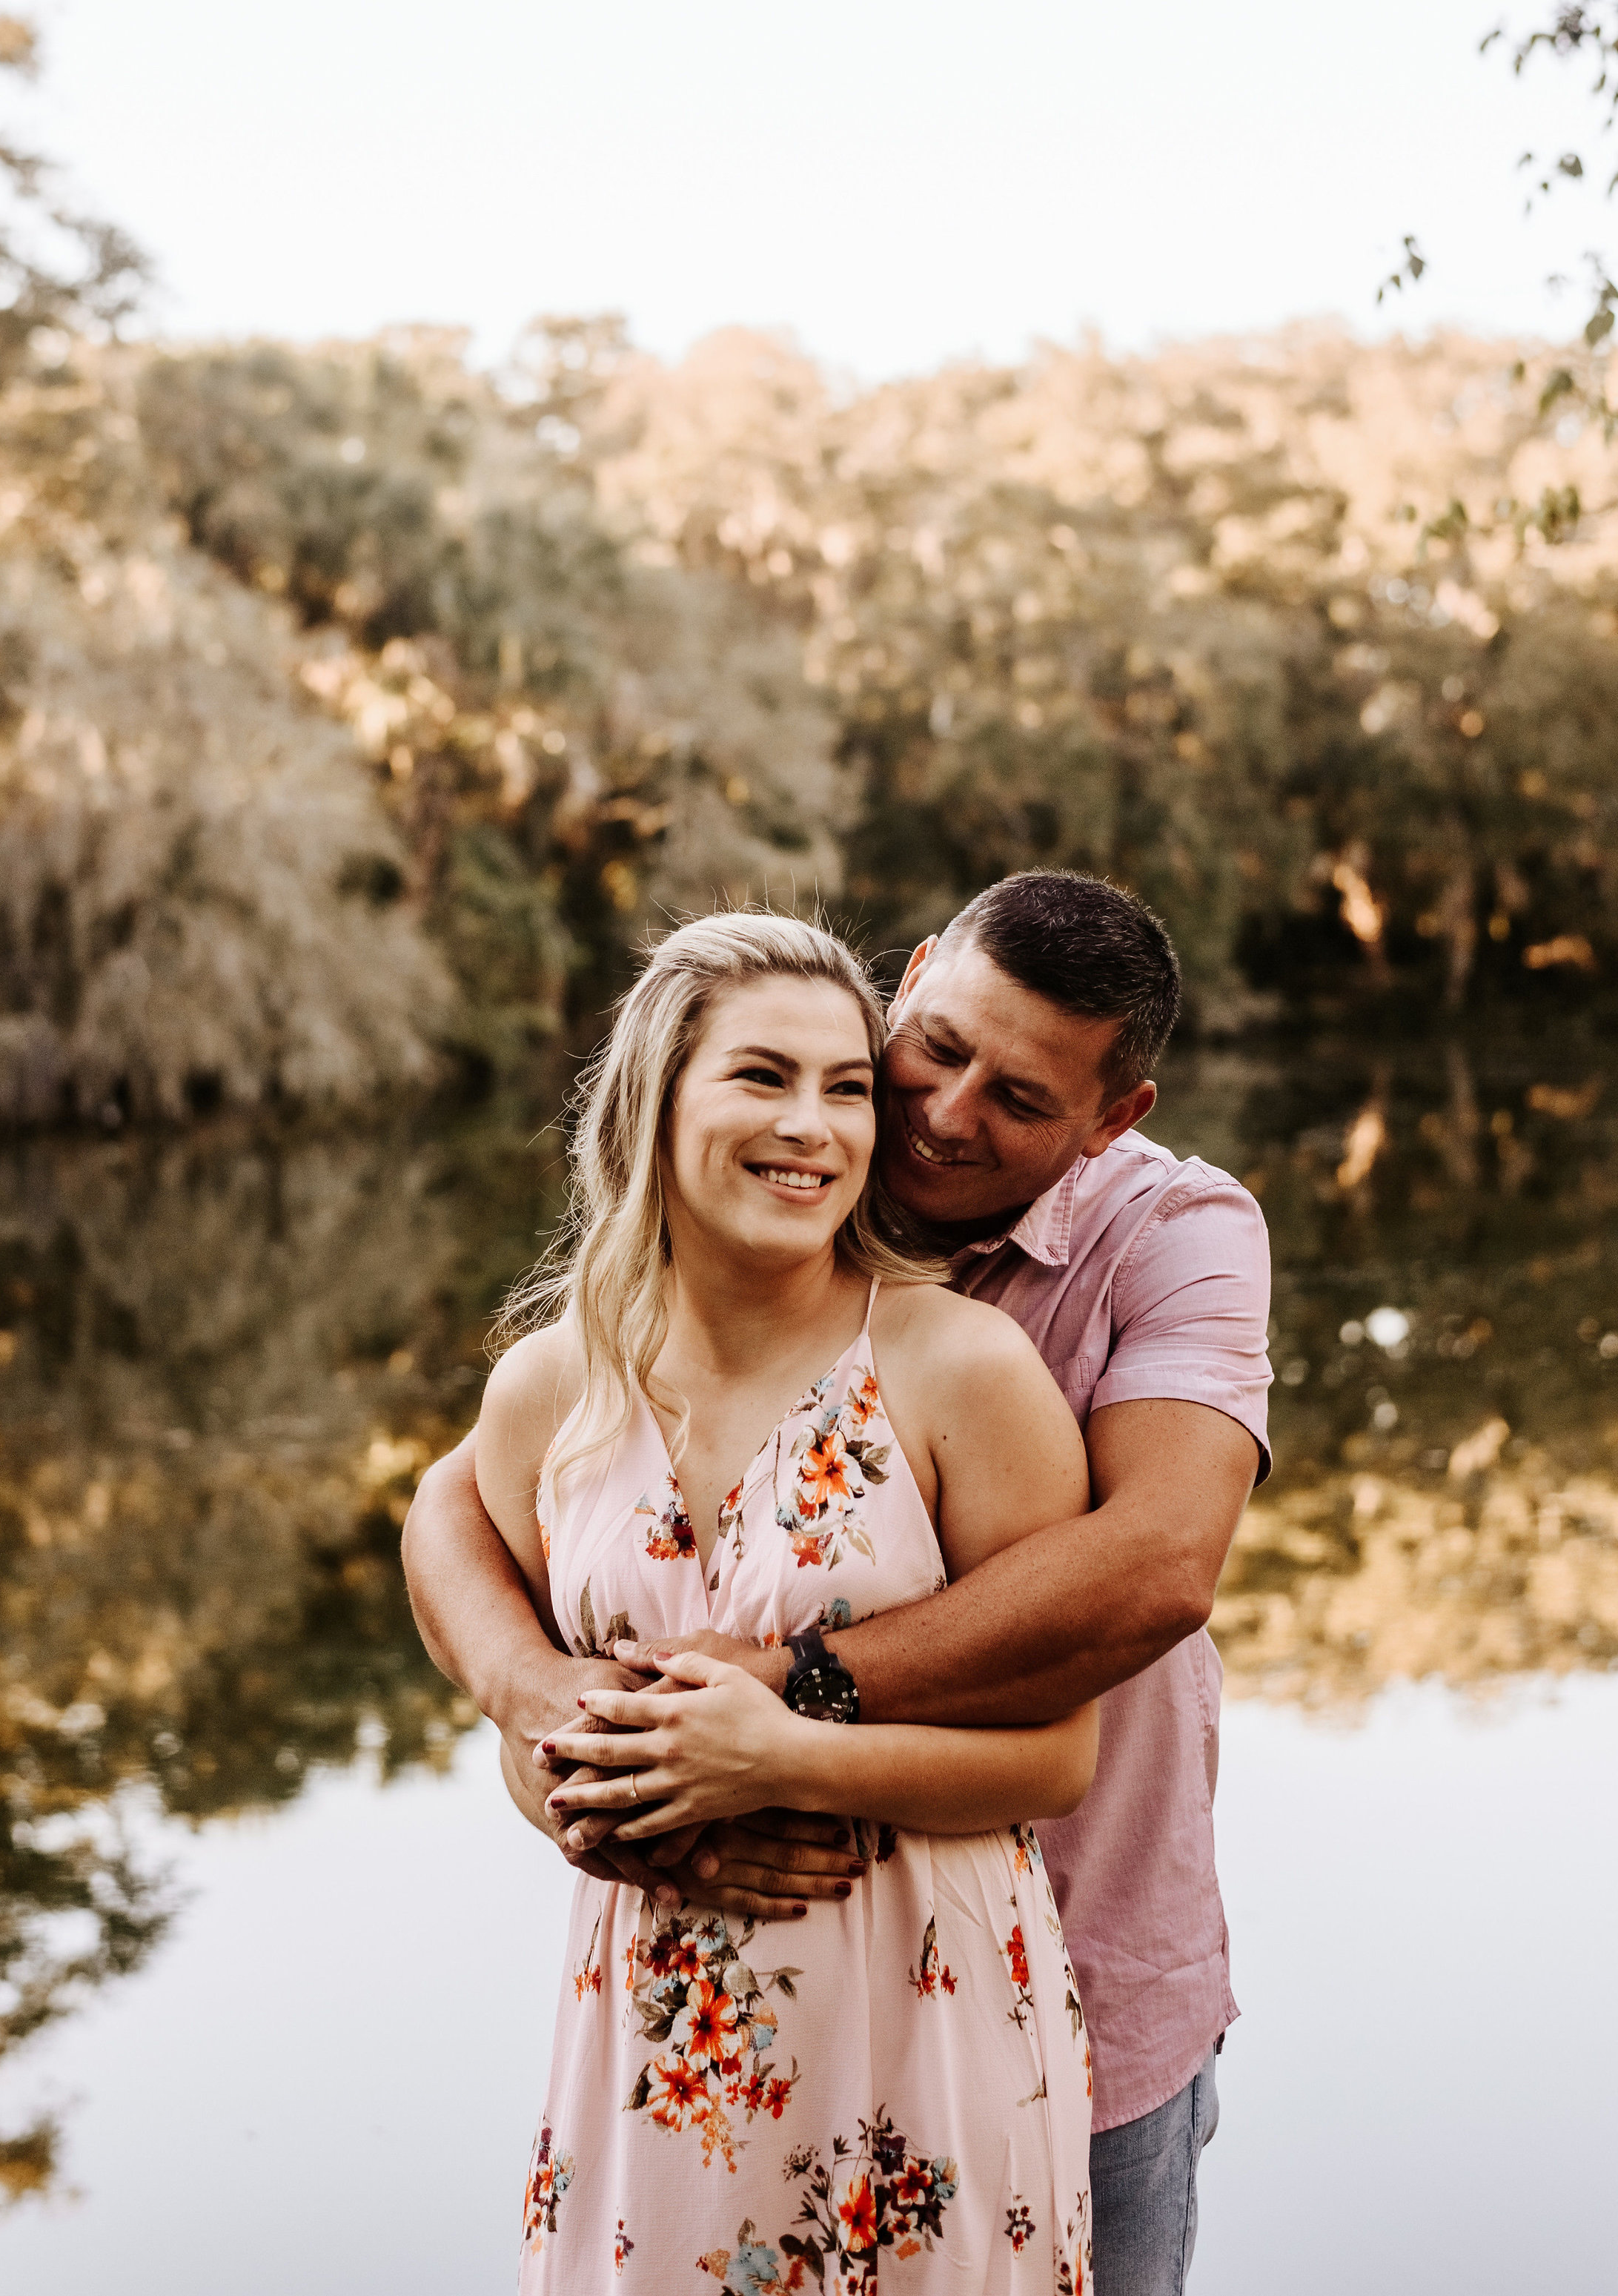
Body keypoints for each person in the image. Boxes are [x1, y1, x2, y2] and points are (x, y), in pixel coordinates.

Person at [405, 870, 1272, 2296]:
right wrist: (569, 1743)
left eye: (1020, 1098)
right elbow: (459, 1505)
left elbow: (1159, 1567)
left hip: (1060, 1976)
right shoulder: (615, 1341)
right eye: (932, 1047)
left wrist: (786, 1709)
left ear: (1115, 1119)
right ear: (909, 980)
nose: (940, 1111)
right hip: (685, 2026)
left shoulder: (1164, 1241)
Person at [473, 909, 1099, 2287]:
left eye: (847, 1087)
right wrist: (615, 1828)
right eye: (762, 1076)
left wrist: (786, 1752)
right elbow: (534, 1742)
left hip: (919, 2033)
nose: (812, 1125)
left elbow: (1059, 1755)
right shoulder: (545, 1394)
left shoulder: (960, 1369)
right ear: (657, 1097)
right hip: (653, 2046)